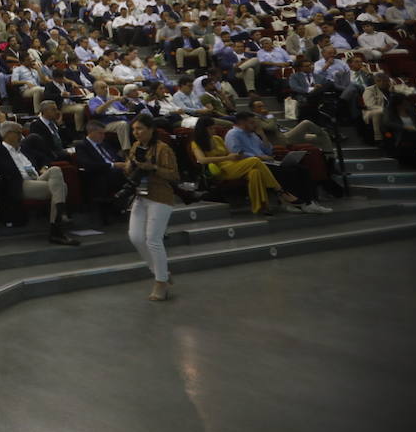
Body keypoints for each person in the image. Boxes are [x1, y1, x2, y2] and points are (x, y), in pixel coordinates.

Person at [0, 120, 78, 246]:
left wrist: (44, 167)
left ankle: (56, 230)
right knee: (62, 187)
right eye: (18, 133)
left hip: (37, 179)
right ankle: (57, 228)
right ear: (8, 134)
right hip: (20, 184)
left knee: (55, 170)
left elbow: (44, 158)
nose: (21, 136)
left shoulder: (25, 149)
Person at [188, 116, 310, 215]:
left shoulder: (217, 139)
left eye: (214, 128)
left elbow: (229, 153)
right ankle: (280, 191)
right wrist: (227, 157)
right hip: (220, 169)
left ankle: (261, 207)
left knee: (255, 173)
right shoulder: (196, 143)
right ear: (203, 129)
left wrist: (236, 156)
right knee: (255, 161)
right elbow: (202, 160)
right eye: (211, 129)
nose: (213, 131)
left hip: (232, 164)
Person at [122, 114, 180, 302]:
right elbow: (129, 171)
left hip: (160, 196)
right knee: (136, 237)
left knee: (153, 239)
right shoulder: (136, 147)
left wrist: (152, 167)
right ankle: (160, 272)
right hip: (141, 194)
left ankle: (160, 282)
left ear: (150, 129)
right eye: (134, 129)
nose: (136, 133)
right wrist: (131, 165)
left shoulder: (163, 149)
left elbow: (174, 175)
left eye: (139, 129)